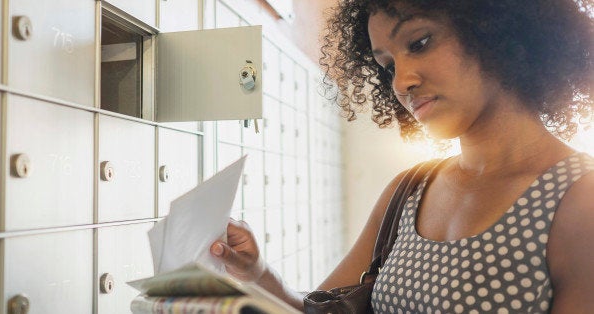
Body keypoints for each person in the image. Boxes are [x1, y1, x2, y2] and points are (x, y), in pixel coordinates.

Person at [210, 0, 594, 312]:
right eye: (388, 65)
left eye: (420, 43)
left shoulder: (580, 199)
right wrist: (257, 273)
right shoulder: (409, 189)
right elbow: (319, 312)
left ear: (496, 31)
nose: (400, 81)